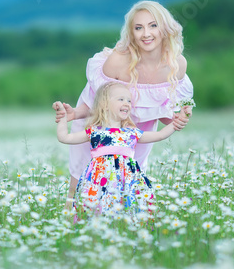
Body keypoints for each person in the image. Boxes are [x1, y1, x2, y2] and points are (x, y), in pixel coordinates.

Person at [53, 0, 194, 204]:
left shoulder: (177, 64)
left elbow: (164, 116)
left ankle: (123, 228)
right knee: (82, 180)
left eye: (153, 25)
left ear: (164, 28)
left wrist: (178, 119)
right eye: (139, 28)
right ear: (132, 33)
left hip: (137, 131)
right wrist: (74, 113)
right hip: (101, 124)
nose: (146, 33)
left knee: (130, 182)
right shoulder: (118, 61)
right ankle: (70, 228)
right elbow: (97, 102)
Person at [55, 81, 189, 216]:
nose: (127, 103)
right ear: (104, 104)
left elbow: (160, 135)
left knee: (127, 208)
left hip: (127, 179)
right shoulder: (95, 132)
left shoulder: (131, 133)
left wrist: (178, 121)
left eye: (129, 101)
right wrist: (62, 117)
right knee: (96, 208)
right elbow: (65, 138)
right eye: (121, 99)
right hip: (100, 179)